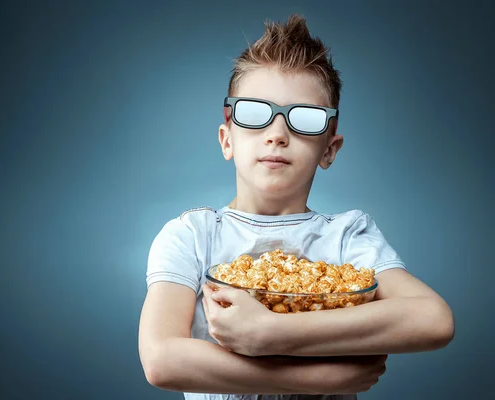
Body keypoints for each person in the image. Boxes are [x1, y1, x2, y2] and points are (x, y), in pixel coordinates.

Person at [138, 14, 455, 400]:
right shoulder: (192, 236)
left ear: (329, 149)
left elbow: (433, 319)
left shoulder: (347, 238)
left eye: (303, 119)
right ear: (227, 139)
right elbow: (162, 359)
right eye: (255, 113)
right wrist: (314, 379)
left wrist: (269, 332)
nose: (277, 134)